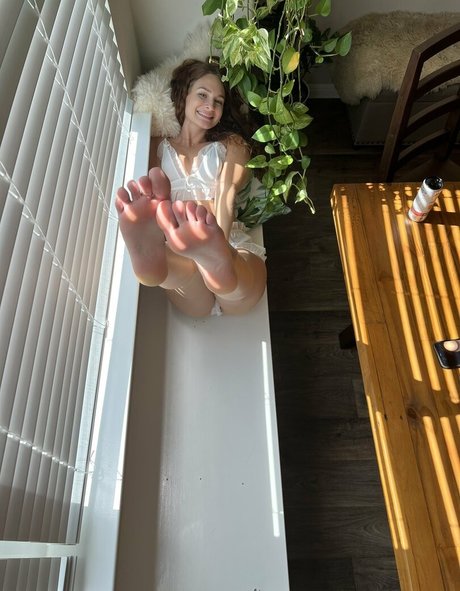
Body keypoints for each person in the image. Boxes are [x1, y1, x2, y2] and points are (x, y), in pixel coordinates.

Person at [115, 59, 267, 317]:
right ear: (184, 94)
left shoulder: (231, 144)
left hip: (226, 240)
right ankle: (155, 260)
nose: (210, 106)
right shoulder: (156, 145)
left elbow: (227, 192)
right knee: (179, 264)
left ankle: (221, 262)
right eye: (203, 95)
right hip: (180, 248)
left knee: (237, 277)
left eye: (218, 102)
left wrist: (220, 241)